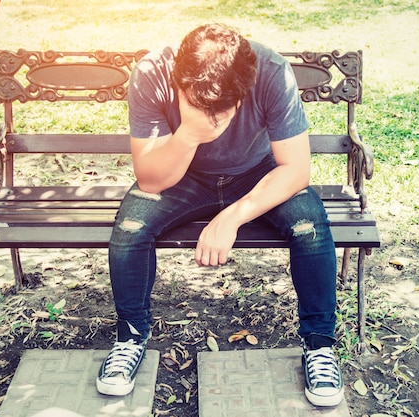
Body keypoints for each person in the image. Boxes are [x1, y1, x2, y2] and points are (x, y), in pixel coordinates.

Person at [96, 23, 344, 407]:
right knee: (129, 228)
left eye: (222, 108)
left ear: (244, 90)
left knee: (309, 226)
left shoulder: (271, 70)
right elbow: (149, 179)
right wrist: (189, 134)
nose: (211, 116)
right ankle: (130, 337)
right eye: (198, 103)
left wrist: (232, 217)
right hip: (183, 175)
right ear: (180, 80)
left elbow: (295, 169)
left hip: (258, 174)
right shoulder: (152, 74)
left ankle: (320, 347)